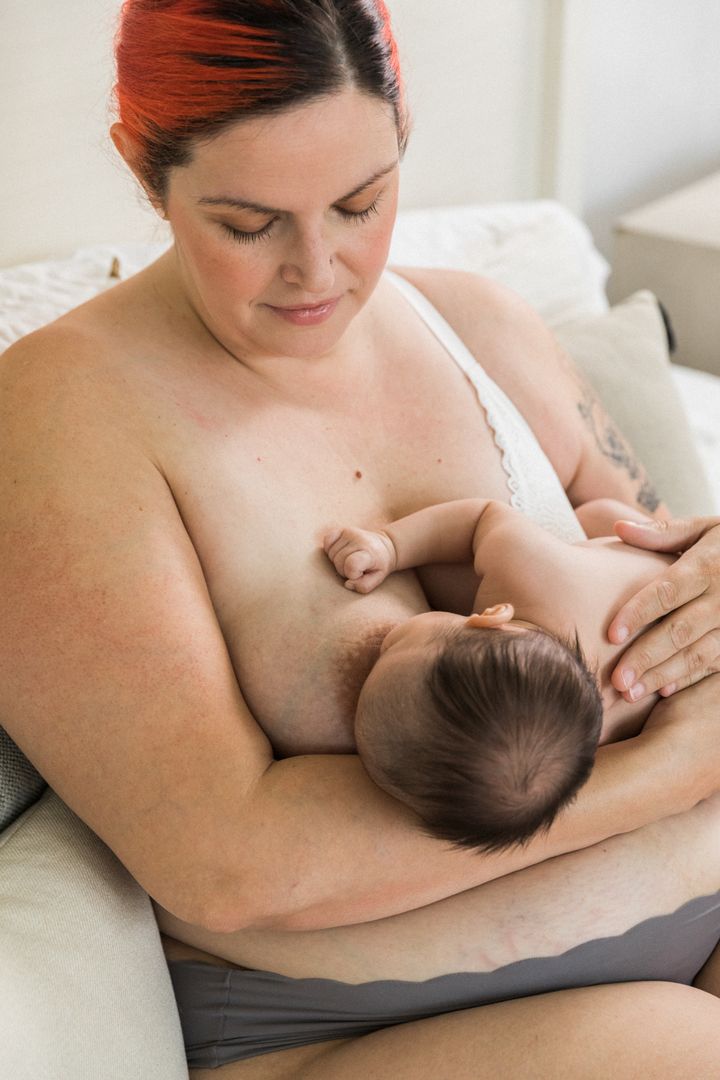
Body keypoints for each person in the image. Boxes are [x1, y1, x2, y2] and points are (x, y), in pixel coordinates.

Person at [1, 1, 720, 1076]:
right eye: (249, 224)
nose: (318, 271)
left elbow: (669, 605)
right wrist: (658, 780)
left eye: (360, 202)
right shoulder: (58, 421)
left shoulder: (487, 326)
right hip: (343, 1033)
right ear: (144, 173)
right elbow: (221, 863)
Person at [322, 497, 681, 852]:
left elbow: (480, 518)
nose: (385, 644)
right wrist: (390, 547)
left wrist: (391, 545)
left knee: (595, 516)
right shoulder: (529, 569)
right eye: (395, 647)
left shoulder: (591, 735)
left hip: (671, 599)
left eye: (389, 648)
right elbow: (481, 519)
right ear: (491, 618)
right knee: (597, 515)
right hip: (667, 593)